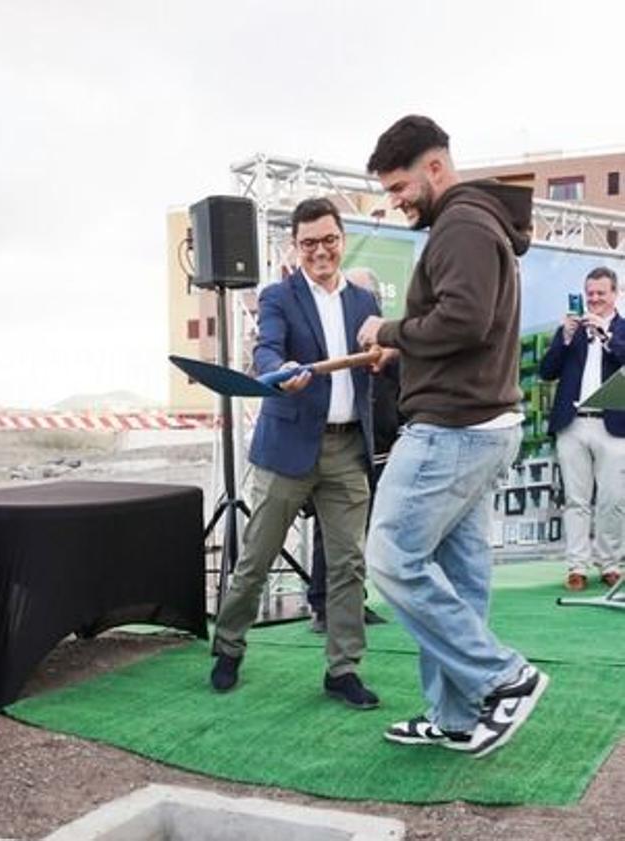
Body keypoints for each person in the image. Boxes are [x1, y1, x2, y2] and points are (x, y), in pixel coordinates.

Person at [357, 115, 548, 758]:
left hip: (453, 431)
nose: (397, 199)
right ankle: (458, 717)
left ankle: (505, 678)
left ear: (435, 168)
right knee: (458, 580)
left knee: (389, 558)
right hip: (480, 427)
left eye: (400, 185)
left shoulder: (462, 225)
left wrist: (390, 333)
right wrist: (407, 353)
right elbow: (469, 326)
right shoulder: (474, 223)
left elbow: (463, 321)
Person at [210, 197, 389, 709]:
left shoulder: (363, 302)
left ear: (341, 239)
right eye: (309, 243)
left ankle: (343, 668)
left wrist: (380, 359)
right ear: (296, 246)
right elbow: (265, 349)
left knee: (348, 565)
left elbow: (377, 360)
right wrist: (281, 368)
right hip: (286, 448)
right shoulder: (278, 296)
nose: (320, 251)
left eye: (328, 240)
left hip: (348, 449)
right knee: (256, 558)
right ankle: (228, 648)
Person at [307, 266, 401, 633]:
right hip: (338, 446)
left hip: (380, 450)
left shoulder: (388, 344)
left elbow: (402, 388)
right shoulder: (331, 340)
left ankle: (351, 603)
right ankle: (321, 606)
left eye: (362, 296)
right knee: (329, 530)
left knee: (356, 535)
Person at [539, 266, 625, 591]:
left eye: (601, 293)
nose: (594, 299)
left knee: (613, 500)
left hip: (614, 424)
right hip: (572, 425)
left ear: (615, 294)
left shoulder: (622, 329)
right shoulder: (569, 332)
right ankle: (576, 565)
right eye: (589, 293)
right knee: (576, 500)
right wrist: (563, 338)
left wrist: (608, 336)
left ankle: (611, 564)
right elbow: (547, 372)